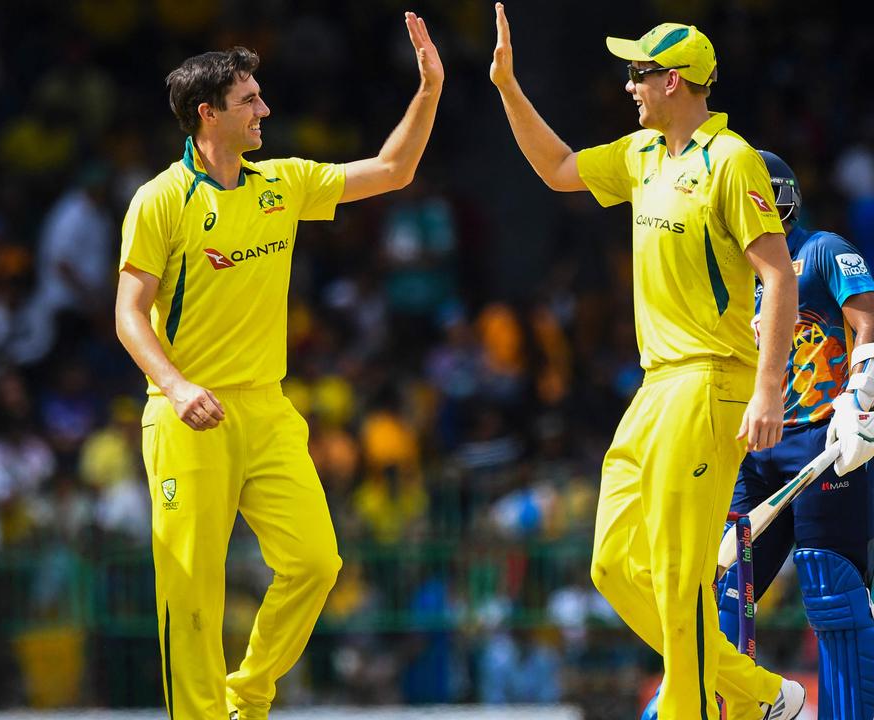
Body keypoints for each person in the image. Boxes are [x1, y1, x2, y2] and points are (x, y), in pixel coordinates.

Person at [115, 13, 441, 720]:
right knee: (190, 588)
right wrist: (174, 387)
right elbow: (128, 313)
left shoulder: (283, 183)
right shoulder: (160, 200)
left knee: (316, 562)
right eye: (249, 101)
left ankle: (250, 692)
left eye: (261, 97)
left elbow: (394, 170)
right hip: (185, 415)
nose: (265, 109)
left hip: (264, 408)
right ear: (207, 115)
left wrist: (429, 90)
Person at [488, 5, 804, 719]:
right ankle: (758, 694)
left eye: (639, 74)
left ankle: (699, 707)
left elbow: (779, 276)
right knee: (611, 563)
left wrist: (767, 392)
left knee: (678, 576)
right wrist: (508, 86)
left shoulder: (731, 161)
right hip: (655, 386)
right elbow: (559, 168)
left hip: (709, 383)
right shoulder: (641, 156)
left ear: (677, 81)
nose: (628, 86)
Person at [714, 151, 874, 719]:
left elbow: (868, 319)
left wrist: (861, 395)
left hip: (827, 441)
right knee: (727, 592)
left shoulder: (822, 250)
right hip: (755, 448)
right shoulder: (735, 273)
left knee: (832, 592)